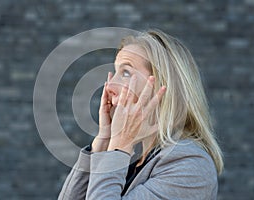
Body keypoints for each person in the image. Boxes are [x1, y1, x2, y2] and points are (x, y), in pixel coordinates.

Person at [58, 29, 224, 200]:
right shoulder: (132, 157)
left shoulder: (191, 166)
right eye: (115, 72)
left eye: (126, 73)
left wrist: (118, 148)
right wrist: (102, 143)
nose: (110, 85)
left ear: (163, 86)